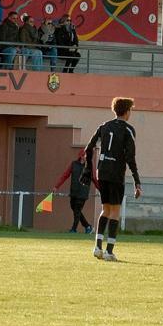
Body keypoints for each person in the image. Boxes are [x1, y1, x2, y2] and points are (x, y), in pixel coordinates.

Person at [84, 96, 142, 262]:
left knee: (105, 209)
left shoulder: (104, 126)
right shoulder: (128, 130)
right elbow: (130, 157)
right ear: (127, 111)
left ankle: (97, 247)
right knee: (115, 212)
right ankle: (109, 251)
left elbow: (89, 148)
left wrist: (89, 168)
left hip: (102, 172)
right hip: (116, 174)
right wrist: (137, 181)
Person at [52, 149, 98, 233]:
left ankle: (74, 229)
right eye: (85, 156)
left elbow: (94, 179)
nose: (86, 158)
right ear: (81, 156)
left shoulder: (89, 166)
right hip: (74, 192)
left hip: (83, 193)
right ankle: (88, 227)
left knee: (77, 210)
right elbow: (65, 175)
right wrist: (56, 186)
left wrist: (101, 190)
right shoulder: (74, 164)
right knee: (76, 210)